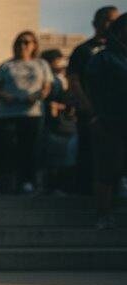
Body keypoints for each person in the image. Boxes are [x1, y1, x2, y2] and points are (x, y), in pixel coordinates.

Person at [0, 31, 53, 195]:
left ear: (34, 45)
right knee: (8, 147)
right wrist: (5, 96)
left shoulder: (41, 65)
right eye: (19, 42)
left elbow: (47, 86)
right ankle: (5, 181)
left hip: (32, 112)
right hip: (8, 112)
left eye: (27, 42)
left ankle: (27, 181)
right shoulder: (6, 65)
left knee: (30, 148)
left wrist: (37, 95)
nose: (23, 46)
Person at [68, 6, 121, 198]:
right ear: (96, 22)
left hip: (115, 114)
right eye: (108, 19)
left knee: (114, 156)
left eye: (116, 19)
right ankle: (84, 193)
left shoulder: (120, 52)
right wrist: (86, 105)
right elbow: (74, 79)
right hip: (91, 111)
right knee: (88, 152)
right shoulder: (83, 50)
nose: (112, 23)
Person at [85, 13, 127, 229]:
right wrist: (95, 116)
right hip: (110, 120)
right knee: (109, 168)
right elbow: (91, 89)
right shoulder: (104, 57)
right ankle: (103, 213)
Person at [40, 49, 77, 196]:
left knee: (63, 156)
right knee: (55, 157)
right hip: (56, 124)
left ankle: (60, 185)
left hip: (65, 123)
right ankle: (54, 186)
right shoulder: (53, 80)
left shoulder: (63, 78)